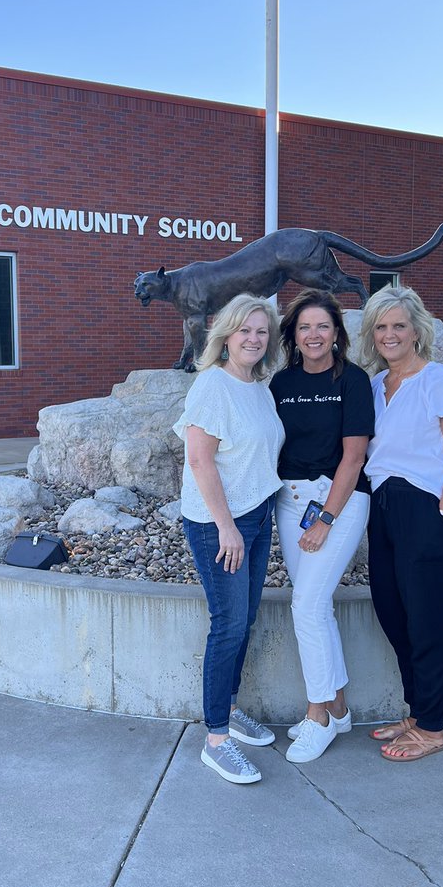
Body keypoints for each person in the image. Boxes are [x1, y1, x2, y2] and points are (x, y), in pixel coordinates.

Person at [360, 286, 443, 761]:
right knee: (394, 611)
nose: (390, 334)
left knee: (431, 617)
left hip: (433, 507)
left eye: (399, 325)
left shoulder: (442, 382)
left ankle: (433, 726)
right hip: (385, 507)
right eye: (381, 327)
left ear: (417, 331)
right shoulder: (375, 386)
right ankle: (417, 709)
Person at [174, 294, 285, 784]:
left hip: (257, 519)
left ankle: (231, 707)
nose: (254, 339)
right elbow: (199, 461)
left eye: (262, 332)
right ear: (226, 333)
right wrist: (226, 527)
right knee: (228, 626)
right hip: (221, 525)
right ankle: (215, 739)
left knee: (246, 620)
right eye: (245, 331)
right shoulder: (212, 386)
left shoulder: (258, 386)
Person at [270, 289, 374, 763]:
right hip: (290, 505)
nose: (314, 334)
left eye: (323, 326)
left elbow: (354, 457)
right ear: (293, 333)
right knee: (318, 607)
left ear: (337, 334)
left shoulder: (353, 380)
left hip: (340, 500)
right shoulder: (280, 383)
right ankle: (340, 708)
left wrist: (328, 519)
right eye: (305, 326)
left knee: (307, 606)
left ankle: (318, 716)